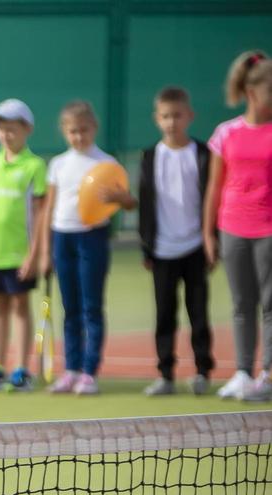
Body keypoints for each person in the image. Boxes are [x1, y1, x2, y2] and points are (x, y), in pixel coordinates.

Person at [38, 101, 129, 396]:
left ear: (95, 128)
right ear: (64, 132)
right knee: (70, 308)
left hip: (93, 238)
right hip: (62, 237)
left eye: (84, 130)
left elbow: (128, 202)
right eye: (73, 131)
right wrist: (44, 251)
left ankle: (89, 372)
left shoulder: (107, 164)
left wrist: (121, 197)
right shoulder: (58, 164)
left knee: (91, 307)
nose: (79, 137)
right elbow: (49, 207)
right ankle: (71, 370)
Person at [207, 51, 272, 402]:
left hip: (269, 232)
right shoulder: (225, 133)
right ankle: (244, 373)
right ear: (251, 93)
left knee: (271, 304)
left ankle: (269, 374)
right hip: (232, 228)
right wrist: (208, 232)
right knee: (240, 304)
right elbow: (215, 188)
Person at [138, 87, 212, 396]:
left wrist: (211, 240)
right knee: (164, 315)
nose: (172, 122)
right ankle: (166, 374)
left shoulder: (203, 153)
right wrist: (147, 246)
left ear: (189, 116)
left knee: (198, 313)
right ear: (157, 119)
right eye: (165, 116)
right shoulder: (150, 156)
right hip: (162, 250)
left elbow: (211, 199)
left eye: (177, 115)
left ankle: (202, 372)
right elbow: (145, 203)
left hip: (195, 248)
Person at [0, 98, 47, 391]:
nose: (5, 135)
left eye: (11, 129)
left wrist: (34, 254)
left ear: (27, 129)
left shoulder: (35, 166)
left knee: (20, 307)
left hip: (19, 252)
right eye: (0, 129)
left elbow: (40, 213)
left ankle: (21, 369)